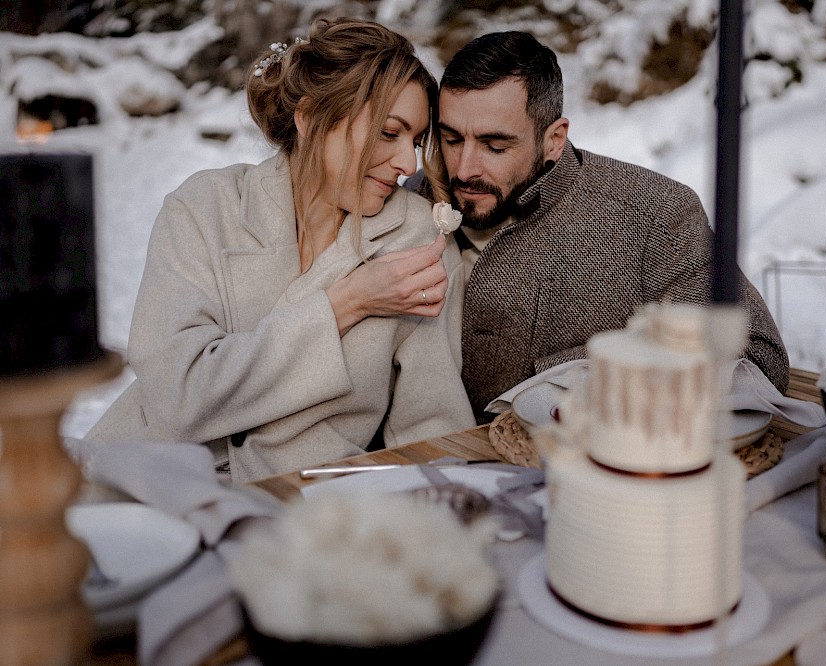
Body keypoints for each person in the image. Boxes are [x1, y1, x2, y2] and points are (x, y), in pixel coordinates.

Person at [86, 17, 475, 482]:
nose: (407, 162)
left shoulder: (416, 239)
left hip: (306, 510)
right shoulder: (205, 208)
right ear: (310, 119)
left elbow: (430, 424)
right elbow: (181, 397)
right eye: (389, 134)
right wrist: (346, 303)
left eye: (415, 140)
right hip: (147, 479)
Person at [410, 31, 789, 424]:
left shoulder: (655, 213)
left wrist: (571, 374)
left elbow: (758, 356)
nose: (465, 168)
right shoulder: (408, 196)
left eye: (495, 146)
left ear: (554, 139)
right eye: (451, 138)